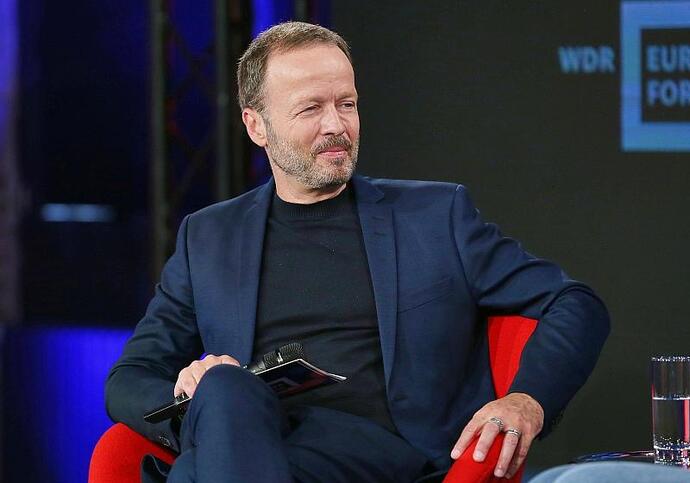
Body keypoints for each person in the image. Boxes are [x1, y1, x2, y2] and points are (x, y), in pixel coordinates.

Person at [106, 21, 610, 483]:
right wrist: (193, 394)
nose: (336, 125)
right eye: (311, 108)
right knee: (224, 388)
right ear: (257, 126)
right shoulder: (209, 236)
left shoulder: (434, 217)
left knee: (197, 463)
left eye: (346, 104)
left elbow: (574, 303)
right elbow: (128, 379)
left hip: (389, 452)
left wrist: (527, 400)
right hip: (262, 440)